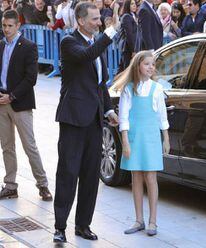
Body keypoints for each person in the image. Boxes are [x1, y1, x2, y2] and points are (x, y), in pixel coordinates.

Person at [53, 2, 119, 243]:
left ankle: (83, 225)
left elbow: (100, 83)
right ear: (80, 21)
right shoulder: (69, 42)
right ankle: (60, 226)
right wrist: (110, 32)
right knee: (68, 173)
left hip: (94, 120)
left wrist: (109, 110)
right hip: (73, 118)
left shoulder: (95, 45)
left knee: (91, 176)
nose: (99, 22)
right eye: (94, 19)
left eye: (100, 19)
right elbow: (85, 57)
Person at [112, 50, 170, 237]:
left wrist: (166, 138)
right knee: (136, 178)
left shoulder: (157, 88)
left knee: (151, 178)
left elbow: (162, 116)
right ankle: (139, 219)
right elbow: (124, 117)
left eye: (153, 64)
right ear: (138, 66)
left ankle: (153, 221)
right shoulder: (128, 89)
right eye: (147, 64)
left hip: (152, 138)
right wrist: (126, 142)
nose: (151, 67)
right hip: (135, 138)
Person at [0, 9, 53, 202]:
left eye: (10, 26)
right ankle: (10, 185)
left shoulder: (28, 46)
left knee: (29, 146)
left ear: (18, 25)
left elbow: (31, 78)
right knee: (7, 146)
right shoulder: (0, 45)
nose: (6, 29)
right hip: (1, 103)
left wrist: (11, 96)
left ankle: (43, 185)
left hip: (20, 103)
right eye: (4, 25)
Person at [119, 0, 138, 71]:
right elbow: (129, 34)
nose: (134, 5)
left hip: (131, 48)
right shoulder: (126, 16)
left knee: (122, 70)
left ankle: (116, 81)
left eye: (135, 4)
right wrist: (133, 50)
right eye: (132, 4)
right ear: (127, 5)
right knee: (127, 70)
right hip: (127, 48)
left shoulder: (134, 16)